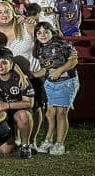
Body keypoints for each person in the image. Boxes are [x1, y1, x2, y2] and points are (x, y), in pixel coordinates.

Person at [33, 22, 79, 156]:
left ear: (52, 32)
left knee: (61, 113)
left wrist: (59, 70)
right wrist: (31, 75)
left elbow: (73, 61)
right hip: (50, 83)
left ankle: (60, 144)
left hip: (66, 82)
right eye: (39, 33)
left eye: (46, 32)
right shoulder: (39, 49)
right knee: (49, 114)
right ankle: (48, 140)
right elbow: (46, 70)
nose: (43, 35)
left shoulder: (63, 44)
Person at [0, 47, 36, 159]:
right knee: (5, 150)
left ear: (11, 64)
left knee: (23, 115)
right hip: (1, 113)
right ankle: (7, 139)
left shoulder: (20, 78)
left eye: (4, 63)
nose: (0, 66)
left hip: (17, 110)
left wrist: (8, 105)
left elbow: (29, 103)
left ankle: (26, 145)